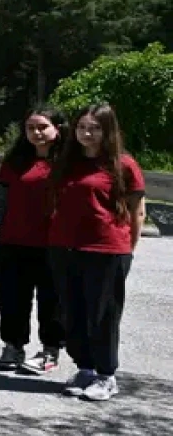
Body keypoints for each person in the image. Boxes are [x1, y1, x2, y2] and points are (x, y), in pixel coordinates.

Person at [48, 104, 145, 402]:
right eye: (81, 128)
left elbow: (136, 211)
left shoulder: (123, 164)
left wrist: (128, 249)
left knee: (102, 314)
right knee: (73, 311)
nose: (87, 133)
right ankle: (85, 368)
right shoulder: (67, 162)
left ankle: (106, 374)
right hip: (65, 247)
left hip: (106, 249)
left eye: (95, 128)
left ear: (108, 131)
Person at [0, 107, 67, 374]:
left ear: (57, 128)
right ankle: (13, 345)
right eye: (31, 127)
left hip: (54, 244)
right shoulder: (15, 162)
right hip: (13, 242)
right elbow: (0, 202)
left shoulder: (68, 163)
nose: (36, 133)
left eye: (42, 127)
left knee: (51, 302)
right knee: (10, 299)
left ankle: (50, 351)